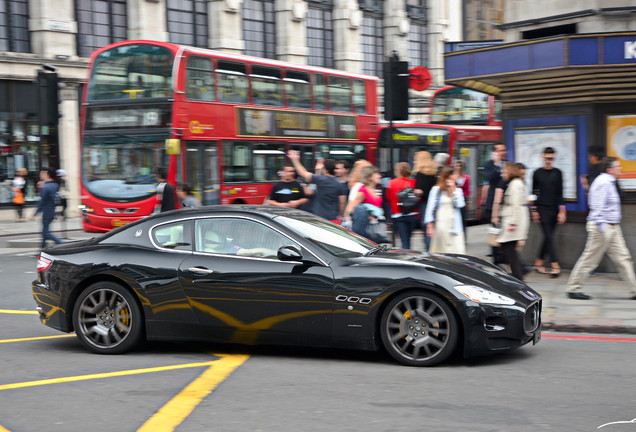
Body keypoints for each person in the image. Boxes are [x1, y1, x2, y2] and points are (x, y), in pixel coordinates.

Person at [566, 157, 636, 300]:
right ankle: (573, 288)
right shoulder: (604, 182)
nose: (620, 169)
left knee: (623, 258)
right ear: (610, 170)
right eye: (617, 167)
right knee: (590, 259)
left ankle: (634, 290)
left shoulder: (610, 182)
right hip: (602, 227)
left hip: (613, 227)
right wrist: (602, 228)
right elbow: (596, 206)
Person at [531, 147, 566, 277]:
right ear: (542, 157)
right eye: (547, 158)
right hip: (541, 209)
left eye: (551, 158)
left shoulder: (558, 173)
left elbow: (560, 193)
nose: (549, 161)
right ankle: (555, 264)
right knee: (549, 237)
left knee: (548, 237)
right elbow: (533, 192)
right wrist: (534, 210)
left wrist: (562, 212)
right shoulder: (537, 173)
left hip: (554, 209)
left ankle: (538, 262)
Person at [287, 150, 347, 223]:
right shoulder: (339, 183)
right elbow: (342, 203)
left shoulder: (321, 180)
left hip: (320, 219)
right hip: (334, 218)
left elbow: (302, 173)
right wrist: (340, 216)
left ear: (326, 170)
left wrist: (295, 160)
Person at [496, 162, 530, 280]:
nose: (503, 174)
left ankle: (518, 276)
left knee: (509, 248)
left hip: (513, 220)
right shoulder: (515, 183)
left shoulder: (515, 184)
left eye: (504, 171)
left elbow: (515, 205)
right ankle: (519, 273)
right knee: (508, 248)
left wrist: (512, 223)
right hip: (513, 219)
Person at [424, 165, 466, 254]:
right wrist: (429, 226)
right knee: (443, 252)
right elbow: (430, 208)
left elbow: (460, 204)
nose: (457, 176)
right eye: (455, 174)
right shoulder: (436, 190)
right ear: (448, 176)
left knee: (459, 251)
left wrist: (453, 190)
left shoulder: (458, 191)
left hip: (455, 226)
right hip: (442, 225)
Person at [344, 165, 386, 241]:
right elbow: (350, 209)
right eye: (377, 174)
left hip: (375, 227)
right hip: (366, 228)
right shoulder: (363, 191)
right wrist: (367, 216)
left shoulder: (375, 190)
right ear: (369, 177)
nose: (380, 176)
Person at [30, 167, 64, 249]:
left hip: (47, 212)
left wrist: (35, 214)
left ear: (47, 175)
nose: (40, 175)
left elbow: (42, 201)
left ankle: (63, 245)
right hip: (52, 211)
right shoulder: (55, 185)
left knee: (46, 233)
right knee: (45, 232)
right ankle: (41, 250)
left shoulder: (46, 187)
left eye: (42, 173)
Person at [386, 162, 417, 249]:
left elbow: (389, 198)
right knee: (408, 238)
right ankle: (408, 252)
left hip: (398, 213)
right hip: (412, 213)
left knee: (404, 239)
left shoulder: (391, 183)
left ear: (398, 171)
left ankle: (406, 256)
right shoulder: (413, 182)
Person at [413, 151, 437, 251]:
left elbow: (420, 191)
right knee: (432, 227)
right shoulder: (434, 174)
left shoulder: (420, 174)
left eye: (416, 159)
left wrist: (413, 191)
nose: (414, 161)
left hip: (424, 205)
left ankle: (429, 251)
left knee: (426, 229)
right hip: (434, 204)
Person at [454, 160, 471, 240]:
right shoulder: (452, 177)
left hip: (463, 199)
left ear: (462, 167)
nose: (458, 167)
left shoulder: (466, 177)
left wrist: (468, 202)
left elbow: (468, 190)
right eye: (457, 165)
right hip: (454, 198)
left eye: (460, 166)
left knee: (463, 220)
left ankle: (463, 238)